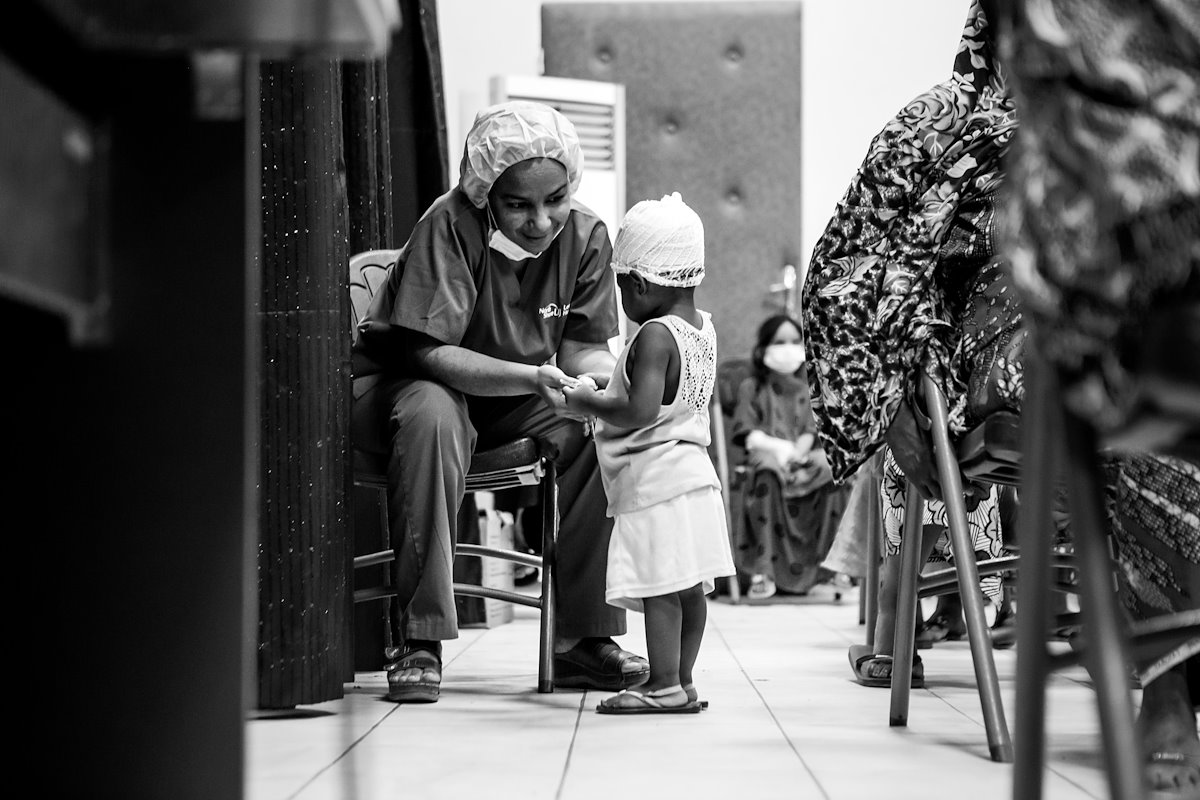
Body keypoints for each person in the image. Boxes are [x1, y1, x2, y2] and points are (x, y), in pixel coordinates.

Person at [805, 1, 1200, 792]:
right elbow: (841, 274)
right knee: (1135, 385)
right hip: (1009, 335)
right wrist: (892, 401)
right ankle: (1168, 688)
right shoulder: (944, 120)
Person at [351, 100, 649, 704]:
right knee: (433, 417)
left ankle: (581, 639)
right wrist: (529, 376)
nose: (541, 221)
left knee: (596, 429)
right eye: (519, 204)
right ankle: (418, 639)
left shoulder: (588, 235)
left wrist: (595, 386)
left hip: (516, 395)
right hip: (412, 388)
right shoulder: (450, 225)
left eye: (555, 199)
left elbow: (585, 348)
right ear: (487, 192)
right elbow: (429, 355)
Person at [562, 192, 736, 714]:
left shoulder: (654, 336)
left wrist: (585, 401)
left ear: (638, 282)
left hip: (655, 482)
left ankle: (661, 685)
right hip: (695, 476)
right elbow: (669, 402)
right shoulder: (702, 327)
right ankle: (681, 681)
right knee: (689, 589)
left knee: (662, 586)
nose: (620, 298)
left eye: (621, 287)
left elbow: (637, 411)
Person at [730, 313, 850, 599]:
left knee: (834, 468)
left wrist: (799, 452)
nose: (788, 347)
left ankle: (831, 569)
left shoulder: (812, 388)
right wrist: (780, 450)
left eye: (795, 341)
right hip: (766, 459)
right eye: (780, 341)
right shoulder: (752, 388)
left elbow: (813, 429)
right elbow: (749, 435)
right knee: (768, 470)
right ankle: (764, 570)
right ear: (763, 349)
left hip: (803, 459)